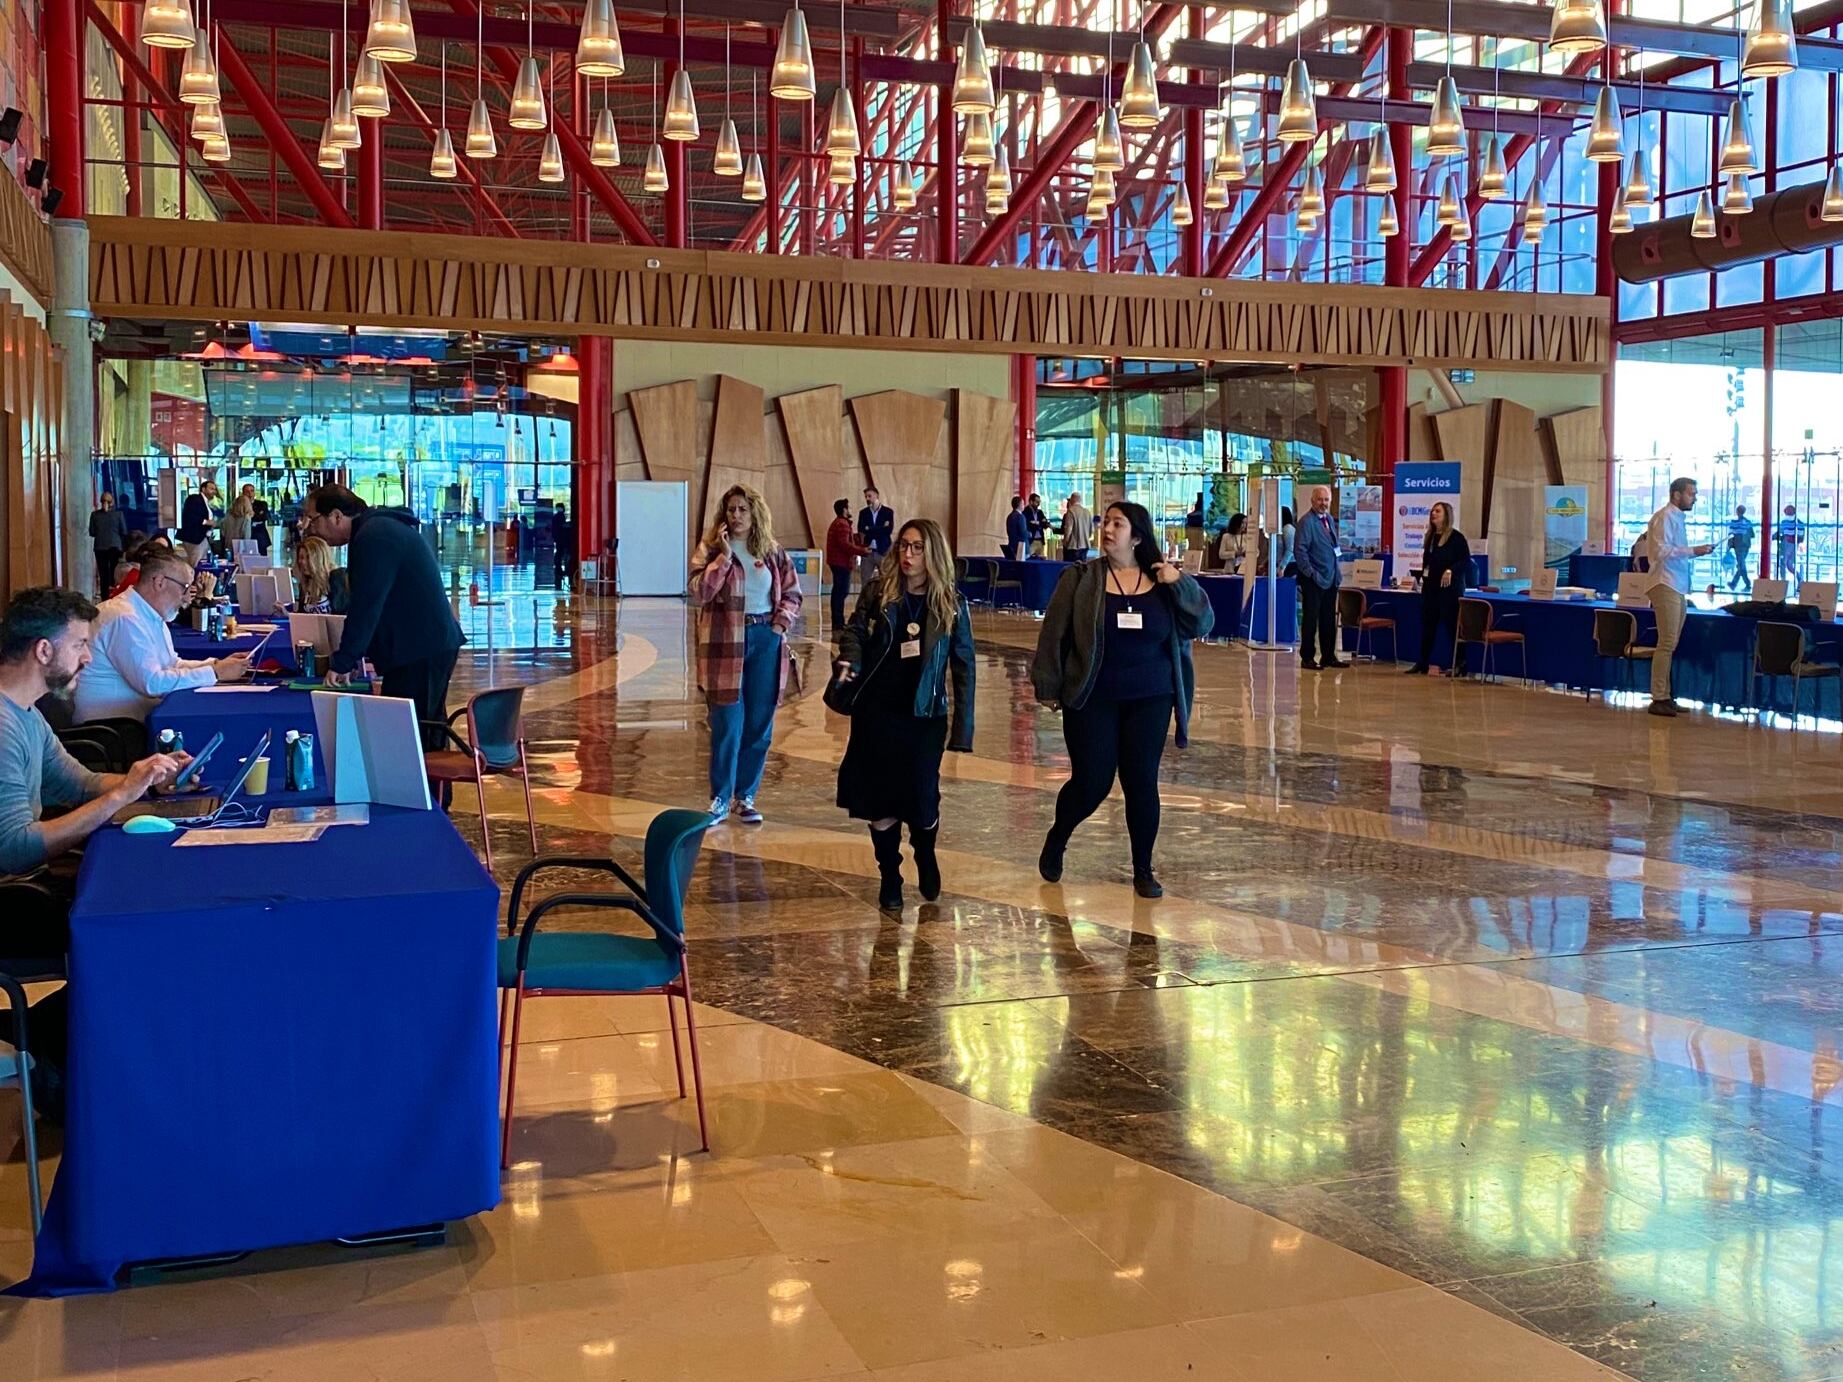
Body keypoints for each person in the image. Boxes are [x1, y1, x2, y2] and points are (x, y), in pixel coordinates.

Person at [0, 587, 188, 1080]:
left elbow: (79, 782)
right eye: (81, 643)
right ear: (44, 651)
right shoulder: (2, 727)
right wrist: (117, 800)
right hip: (14, 902)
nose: (88, 655)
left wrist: (140, 778)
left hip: (28, 889)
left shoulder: (25, 714)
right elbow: (14, 849)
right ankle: (75, 1067)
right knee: (142, 932)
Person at [1031, 501, 1213, 898]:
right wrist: (1047, 683)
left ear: (1138, 536)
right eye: (1106, 522)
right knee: (1092, 783)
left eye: (1118, 524)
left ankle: (1143, 869)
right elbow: (1053, 634)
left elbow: (1203, 622)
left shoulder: (1163, 582)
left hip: (1151, 697)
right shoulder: (1080, 578)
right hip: (1093, 696)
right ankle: (1059, 836)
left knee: (1141, 781)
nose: (1108, 529)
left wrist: (1178, 580)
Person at [833, 519, 975, 911]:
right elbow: (855, 632)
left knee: (922, 799)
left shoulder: (951, 603)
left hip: (924, 716)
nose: (908, 555)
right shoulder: (880, 593)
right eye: (904, 547)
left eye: (917, 548)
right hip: (876, 712)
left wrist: (963, 729)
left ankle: (924, 854)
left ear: (933, 555)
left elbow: (964, 667)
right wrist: (850, 659)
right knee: (880, 801)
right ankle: (889, 875)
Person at [301, 484, 465, 748]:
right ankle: (426, 788)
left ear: (336, 516)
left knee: (412, 736)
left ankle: (420, 789)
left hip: (420, 648)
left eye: (312, 518)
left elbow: (367, 604)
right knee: (417, 730)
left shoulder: (374, 535)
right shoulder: (374, 530)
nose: (308, 527)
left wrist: (343, 660)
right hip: (418, 646)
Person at [691, 485, 802, 825]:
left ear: (755, 514)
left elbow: (793, 593)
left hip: (765, 639)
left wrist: (780, 625)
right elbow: (700, 592)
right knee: (727, 723)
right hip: (725, 644)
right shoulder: (710, 550)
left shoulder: (772, 552)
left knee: (759, 724)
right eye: (730, 510)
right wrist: (724, 557)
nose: (735, 516)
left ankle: (746, 796)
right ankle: (720, 798)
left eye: (742, 509)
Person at [73, 549, 250, 731]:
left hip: (130, 721)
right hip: (114, 730)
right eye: (185, 587)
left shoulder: (148, 613)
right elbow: (153, 684)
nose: (187, 598)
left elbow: (172, 664)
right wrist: (215, 674)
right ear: (159, 582)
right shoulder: (124, 617)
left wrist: (216, 665)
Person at [1644, 477, 1715, 718]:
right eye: (1690, 493)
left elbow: (1676, 554)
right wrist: (1693, 550)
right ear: (1676, 495)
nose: (1694, 498)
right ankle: (1659, 696)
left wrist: (1696, 552)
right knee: (1666, 643)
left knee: (1671, 643)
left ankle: (1666, 694)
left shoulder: (1677, 519)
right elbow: (1659, 552)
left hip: (1677, 586)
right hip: (1664, 583)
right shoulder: (1664, 517)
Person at [1406, 501, 1471, 676]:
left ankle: (1460, 664)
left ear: (1446, 515)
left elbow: (1465, 561)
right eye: (1432, 511)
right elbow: (1428, 563)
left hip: (1450, 589)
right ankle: (1423, 662)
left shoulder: (1457, 538)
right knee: (1428, 625)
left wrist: (1451, 570)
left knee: (1452, 627)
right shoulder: (1431, 537)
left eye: (1438, 511)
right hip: (1431, 588)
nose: (1433, 513)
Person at [1293, 486, 1346, 671]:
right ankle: (1307, 658)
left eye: (1326, 500)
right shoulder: (1306, 523)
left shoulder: (1329, 520)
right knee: (1310, 619)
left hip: (1331, 578)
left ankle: (1328, 656)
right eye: (1320, 500)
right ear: (1312, 501)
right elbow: (1300, 551)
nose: (1323, 503)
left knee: (1328, 619)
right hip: (1314, 579)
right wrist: (1311, 573)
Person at [825, 498, 870, 631]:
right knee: (841, 592)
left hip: (838, 562)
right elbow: (845, 545)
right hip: (841, 563)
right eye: (849, 508)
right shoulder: (842, 524)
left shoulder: (840, 523)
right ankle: (838, 622)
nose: (850, 510)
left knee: (839, 591)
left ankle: (838, 621)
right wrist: (862, 551)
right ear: (844, 510)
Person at [293, 535, 350, 615]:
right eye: (301, 557)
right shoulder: (305, 584)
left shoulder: (337, 577)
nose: (303, 562)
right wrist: (287, 614)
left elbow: (343, 611)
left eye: (308, 557)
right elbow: (302, 615)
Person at [89, 492, 128, 595]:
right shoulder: (119, 514)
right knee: (114, 573)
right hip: (115, 547)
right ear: (113, 502)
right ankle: (114, 594)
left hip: (100, 548)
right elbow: (123, 531)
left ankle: (104, 597)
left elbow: (92, 532)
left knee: (103, 574)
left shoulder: (94, 515)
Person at [857, 487, 894, 588]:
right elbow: (861, 529)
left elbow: (888, 530)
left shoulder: (887, 512)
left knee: (886, 580)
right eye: (866, 497)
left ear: (876, 496)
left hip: (883, 550)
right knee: (865, 581)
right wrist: (880, 528)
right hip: (868, 551)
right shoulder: (863, 513)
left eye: (869, 496)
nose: (867, 498)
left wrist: (870, 528)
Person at [178, 479, 219, 565]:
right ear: (203, 489)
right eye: (211, 489)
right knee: (197, 563)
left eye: (214, 489)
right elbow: (191, 516)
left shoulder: (207, 503)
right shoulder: (194, 499)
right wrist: (207, 522)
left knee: (205, 562)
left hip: (202, 538)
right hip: (194, 538)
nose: (214, 491)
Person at [1726, 504, 1756, 594]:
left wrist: (1728, 546)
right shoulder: (1748, 522)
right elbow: (1752, 535)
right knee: (1741, 565)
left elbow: (1730, 535)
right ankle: (1734, 583)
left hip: (1738, 546)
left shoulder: (1734, 523)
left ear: (1737, 512)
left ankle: (1747, 584)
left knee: (1741, 566)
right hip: (1746, 546)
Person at [1776, 503, 1805, 592]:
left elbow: (1781, 532)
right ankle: (1800, 580)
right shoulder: (1799, 522)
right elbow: (1801, 536)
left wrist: (1772, 537)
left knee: (1783, 564)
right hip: (1794, 545)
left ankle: (1782, 583)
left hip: (1786, 544)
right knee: (1789, 565)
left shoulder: (1784, 522)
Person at [1062, 492, 1093, 561]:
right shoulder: (1087, 512)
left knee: (1071, 569)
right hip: (1085, 546)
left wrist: (1065, 543)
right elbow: (1091, 531)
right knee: (1081, 568)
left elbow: (1068, 530)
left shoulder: (1071, 511)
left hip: (1073, 547)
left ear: (1072, 499)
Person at [552, 506, 575, 589]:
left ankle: (558, 568)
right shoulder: (560, 516)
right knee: (560, 553)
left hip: (558, 538)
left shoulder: (556, 516)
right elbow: (562, 526)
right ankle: (559, 568)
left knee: (559, 553)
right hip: (561, 539)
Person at [1005, 496, 1031, 560]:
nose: (1024, 505)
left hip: (1011, 546)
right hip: (1021, 548)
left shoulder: (1009, 516)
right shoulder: (1021, 517)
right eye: (1023, 503)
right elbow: (1023, 533)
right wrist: (1030, 534)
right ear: (1019, 505)